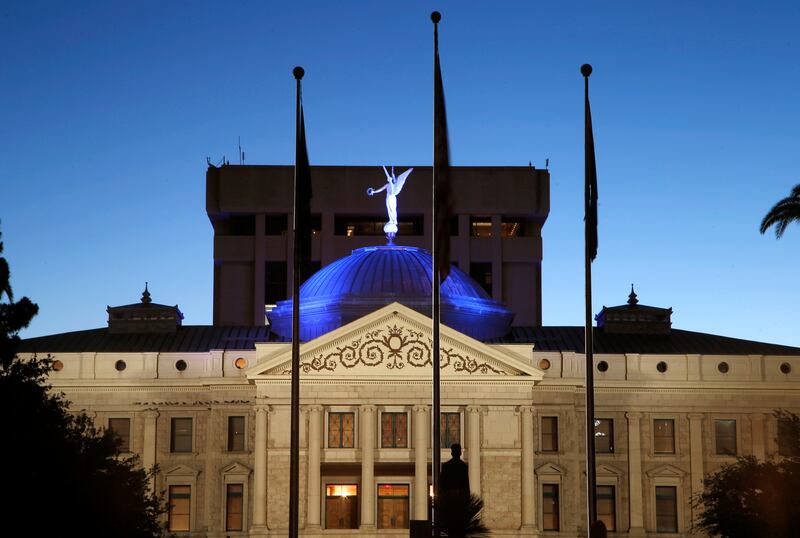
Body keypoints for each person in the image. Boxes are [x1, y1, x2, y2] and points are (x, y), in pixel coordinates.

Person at [367, 166, 413, 242]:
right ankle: (391, 220)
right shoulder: (387, 185)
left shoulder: (392, 184)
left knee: (393, 209)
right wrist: (374, 192)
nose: (388, 179)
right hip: (387, 198)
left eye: (389, 178)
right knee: (389, 210)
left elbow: (388, 175)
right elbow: (381, 189)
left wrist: (385, 167)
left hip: (392, 198)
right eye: (388, 179)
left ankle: (394, 220)